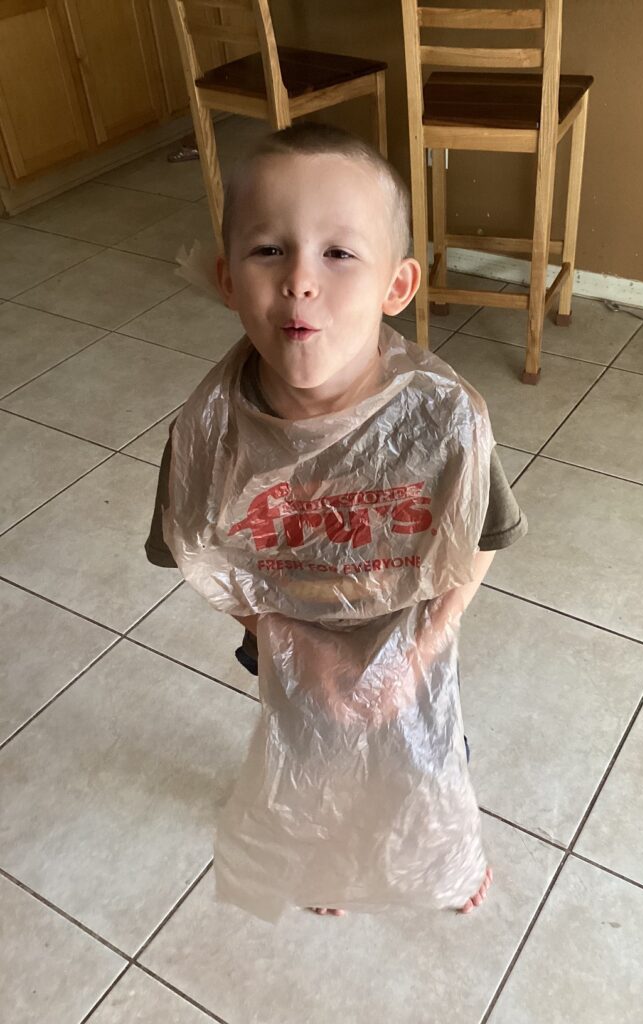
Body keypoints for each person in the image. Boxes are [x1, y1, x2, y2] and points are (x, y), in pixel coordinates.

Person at [145, 123, 527, 921]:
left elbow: (481, 539)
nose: (300, 283)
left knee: (426, 756)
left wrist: (420, 653)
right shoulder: (209, 433)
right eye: (268, 251)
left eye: (339, 254)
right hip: (287, 644)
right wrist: (291, 649)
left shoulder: (442, 418)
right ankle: (327, 864)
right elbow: (197, 549)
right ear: (226, 276)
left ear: (398, 284)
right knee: (313, 752)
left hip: (411, 641)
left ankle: (443, 852)